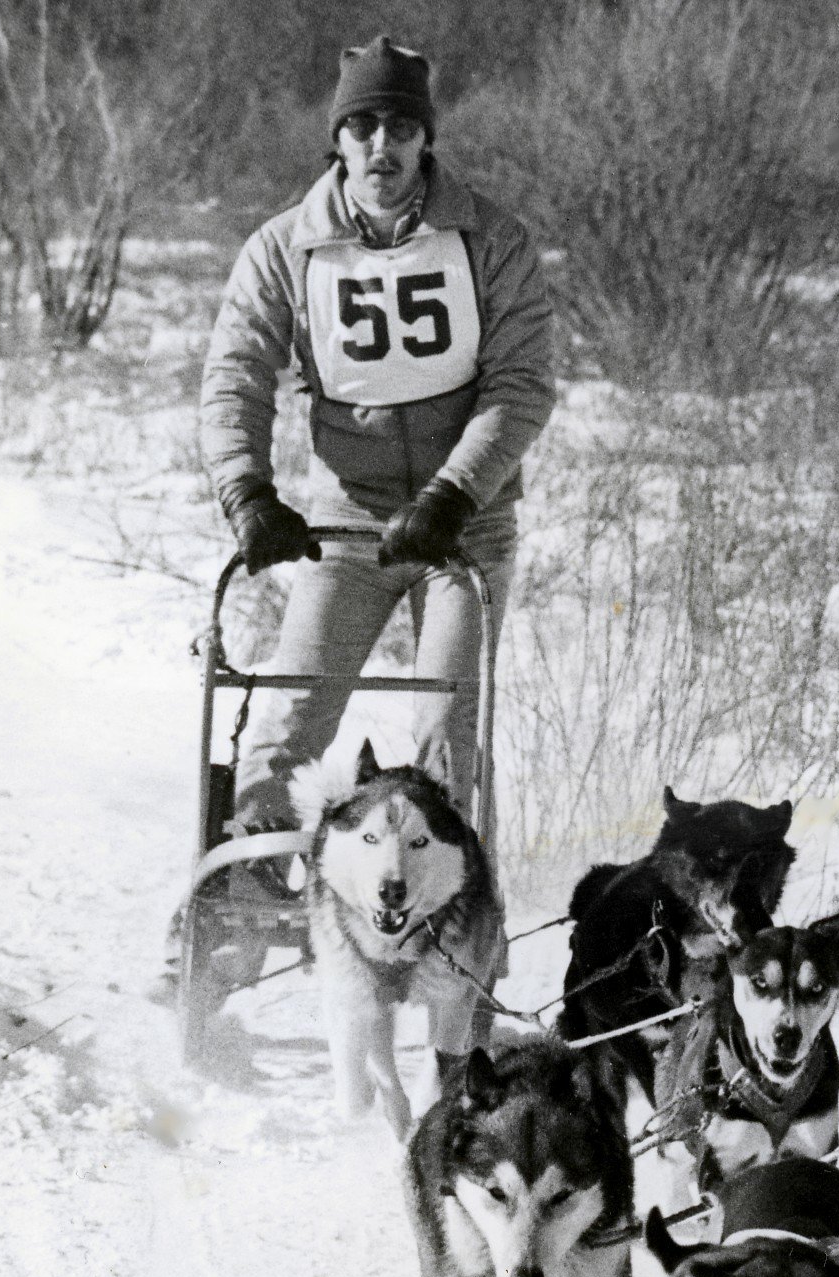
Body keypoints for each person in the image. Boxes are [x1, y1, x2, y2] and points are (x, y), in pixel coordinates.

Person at [200, 35, 555, 878]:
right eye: (361, 126)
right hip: (346, 524)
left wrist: (453, 495)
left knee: (444, 733)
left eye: (400, 126)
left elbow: (521, 384)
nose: (381, 146)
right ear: (338, 139)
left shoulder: (490, 241)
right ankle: (240, 893)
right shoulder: (287, 247)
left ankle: (449, 915)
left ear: (426, 138)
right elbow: (235, 374)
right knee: (286, 721)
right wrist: (248, 490)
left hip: (463, 529)